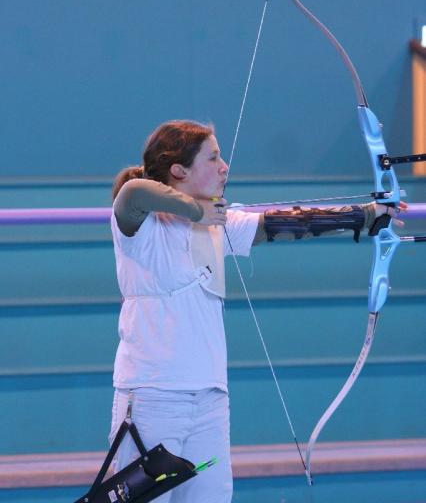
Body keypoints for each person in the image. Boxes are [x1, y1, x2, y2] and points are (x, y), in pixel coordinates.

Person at [108, 119, 402, 503]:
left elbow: (283, 223)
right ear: (179, 170)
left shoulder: (217, 224)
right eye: (213, 158)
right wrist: (196, 211)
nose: (224, 167)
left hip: (210, 398)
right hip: (152, 397)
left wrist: (364, 214)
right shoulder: (144, 228)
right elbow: (133, 193)